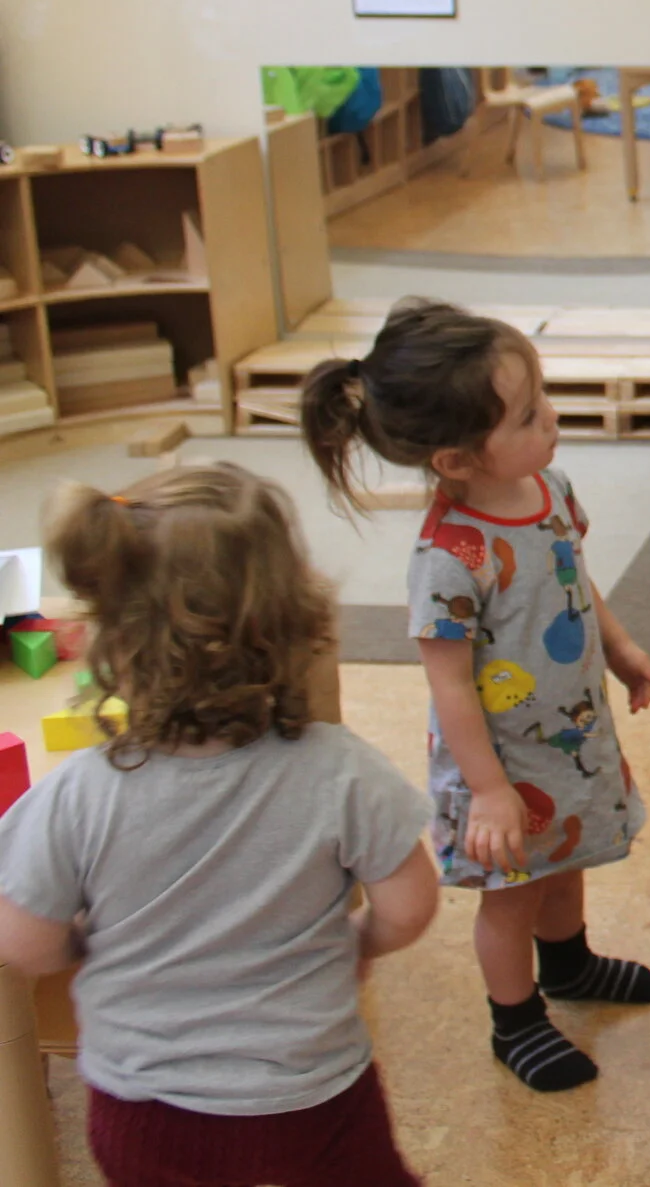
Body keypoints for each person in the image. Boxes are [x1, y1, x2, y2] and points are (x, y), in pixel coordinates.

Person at [0, 464, 439, 1186]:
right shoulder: (339, 770)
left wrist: (88, 941)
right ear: (296, 618)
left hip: (142, 1107)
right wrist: (357, 940)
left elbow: (24, 942)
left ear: (109, 633)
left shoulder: (79, 793)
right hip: (312, 1096)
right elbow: (411, 904)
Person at [302, 299, 650, 1092]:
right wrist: (491, 791)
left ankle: (568, 964)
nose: (553, 420)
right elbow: (448, 681)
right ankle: (516, 1019)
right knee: (512, 893)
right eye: (530, 415)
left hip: (567, 736)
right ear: (457, 460)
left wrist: (622, 647)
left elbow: (574, 572)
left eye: (542, 401)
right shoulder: (447, 555)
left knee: (566, 859)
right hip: (497, 764)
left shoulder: (551, 485)